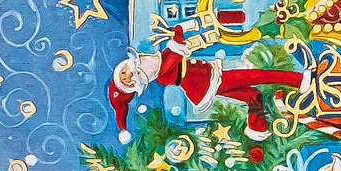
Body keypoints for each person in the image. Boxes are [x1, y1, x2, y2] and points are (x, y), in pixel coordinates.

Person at [107, 25, 311, 144]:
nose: (129, 75)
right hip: (205, 82)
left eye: (123, 72)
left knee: (251, 95)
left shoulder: (155, 62)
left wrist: (177, 35)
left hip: (207, 79)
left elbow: (173, 52)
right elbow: (175, 56)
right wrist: (178, 34)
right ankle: (297, 80)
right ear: (135, 85)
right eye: (127, 80)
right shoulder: (158, 72)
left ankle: (257, 127)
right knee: (254, 76)